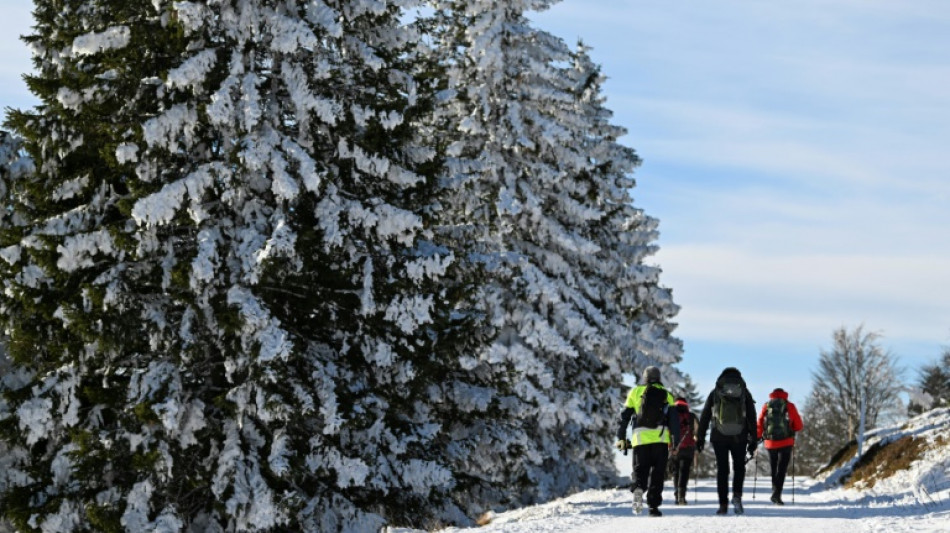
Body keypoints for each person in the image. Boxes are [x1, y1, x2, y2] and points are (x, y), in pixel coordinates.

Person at [616, 366, 681, 517]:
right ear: (659, 378)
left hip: (640, 440)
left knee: (640, 470)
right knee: (658, 474)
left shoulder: (635, 392)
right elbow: (674, 423)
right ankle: (653, 507)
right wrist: (675, 443)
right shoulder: (667, 395)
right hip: (660, 440)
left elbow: (624, 418)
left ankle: (638, 489)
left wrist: (621, 438)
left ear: (644, 378)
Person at [696, 367, 757, 515]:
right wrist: (753, 439)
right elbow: (751, 417)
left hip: (719, 436)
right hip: (739, 436)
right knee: (739, 468)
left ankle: (723, 504)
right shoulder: (744, 392)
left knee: (722, 470)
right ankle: (737, 497)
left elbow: (704, 416)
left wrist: (700, 438)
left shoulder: (716, 392)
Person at [757, 387, 804, 505]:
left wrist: (758, 436)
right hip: (786, 441)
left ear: (772, 394)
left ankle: (775, 490)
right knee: (782, 468)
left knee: (774, 467)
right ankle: (777, 494)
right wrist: (792, 429)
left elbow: (760, 422)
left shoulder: (766, 406)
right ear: (784, 394)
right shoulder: (790, 406)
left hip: (770, 442)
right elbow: (798, 425)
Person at [669, 397, 698, 505]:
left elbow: (667, 431)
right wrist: (697, 445)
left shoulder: (671, 416)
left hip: (675, 449)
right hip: (688, 449)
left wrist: (670, 447)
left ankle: (677, 495)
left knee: (676, 472)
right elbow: (697, 433)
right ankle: (682, 496)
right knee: (684, 472)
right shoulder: (691, 416)